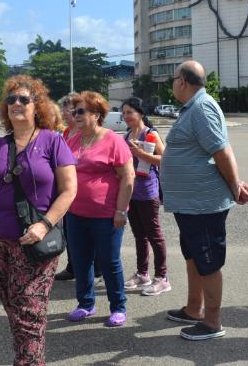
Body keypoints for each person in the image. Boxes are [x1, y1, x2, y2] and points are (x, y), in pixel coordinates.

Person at [0, 75, 77, 365]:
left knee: (29, 311)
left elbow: (69, 190)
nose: (16, 103)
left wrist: (45, 224)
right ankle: (26, 354)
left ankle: (28, 361)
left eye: (24, 99)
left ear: (37, 105)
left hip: (35, 241)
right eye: (11, 99)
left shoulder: (53, 141)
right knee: (12, 306)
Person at [160, 60, 248, 341]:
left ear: (182, 82)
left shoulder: (201, 108)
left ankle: (212, 321)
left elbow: (222, 151)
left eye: (174, 78)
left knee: (208, 261)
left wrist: (235, 186)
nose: (173, 83)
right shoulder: (193, 107)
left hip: (203, 205)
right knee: (193, 256)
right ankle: (193, 309)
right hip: (190, 204)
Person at [64, 91, 134, 327]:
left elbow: (128, 177)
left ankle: (118, 307)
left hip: (106, 215)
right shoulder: (73, 140)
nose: (75, 115)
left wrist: (121, 211)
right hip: (75, 214)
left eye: (81, 111)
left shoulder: (113, 140)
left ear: (96, 115)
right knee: (81, 261)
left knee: (109, 261)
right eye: (74, 111)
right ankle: (85, 304)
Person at [120, 97, 170, 296]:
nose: (126, 116)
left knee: (154, 236)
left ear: (141, 113)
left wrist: (141, 154)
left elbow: (165, 160)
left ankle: (162, 278)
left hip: (148, 192)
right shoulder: (126, 135)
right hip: (131, 192)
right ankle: (143, 274)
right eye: (124, 113)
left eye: (130, 112)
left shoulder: (150, 133)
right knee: (139, 235)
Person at [54, 92, 84, 282]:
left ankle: (93, 268)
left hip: (81, 190)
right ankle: (73, 266)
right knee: (69, 232)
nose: (65, 114)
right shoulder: (65, 133)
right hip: (67, 191)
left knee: (83, 234)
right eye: (64, 110)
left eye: (69, 110)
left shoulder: (84, 133)